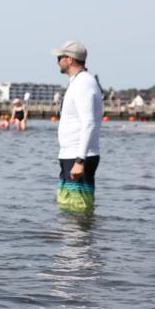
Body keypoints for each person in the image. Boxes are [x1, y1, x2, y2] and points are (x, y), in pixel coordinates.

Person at [53, 41, 103, 213]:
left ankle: (83, 232)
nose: (57, 61)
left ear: (70, 59)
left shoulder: (84, 83)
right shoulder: (77, 82)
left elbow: (89, 122)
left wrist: (80, 161)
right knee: (67, 208)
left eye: (59, 57)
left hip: (79, 156)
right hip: (70, 154)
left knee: (79, 210)